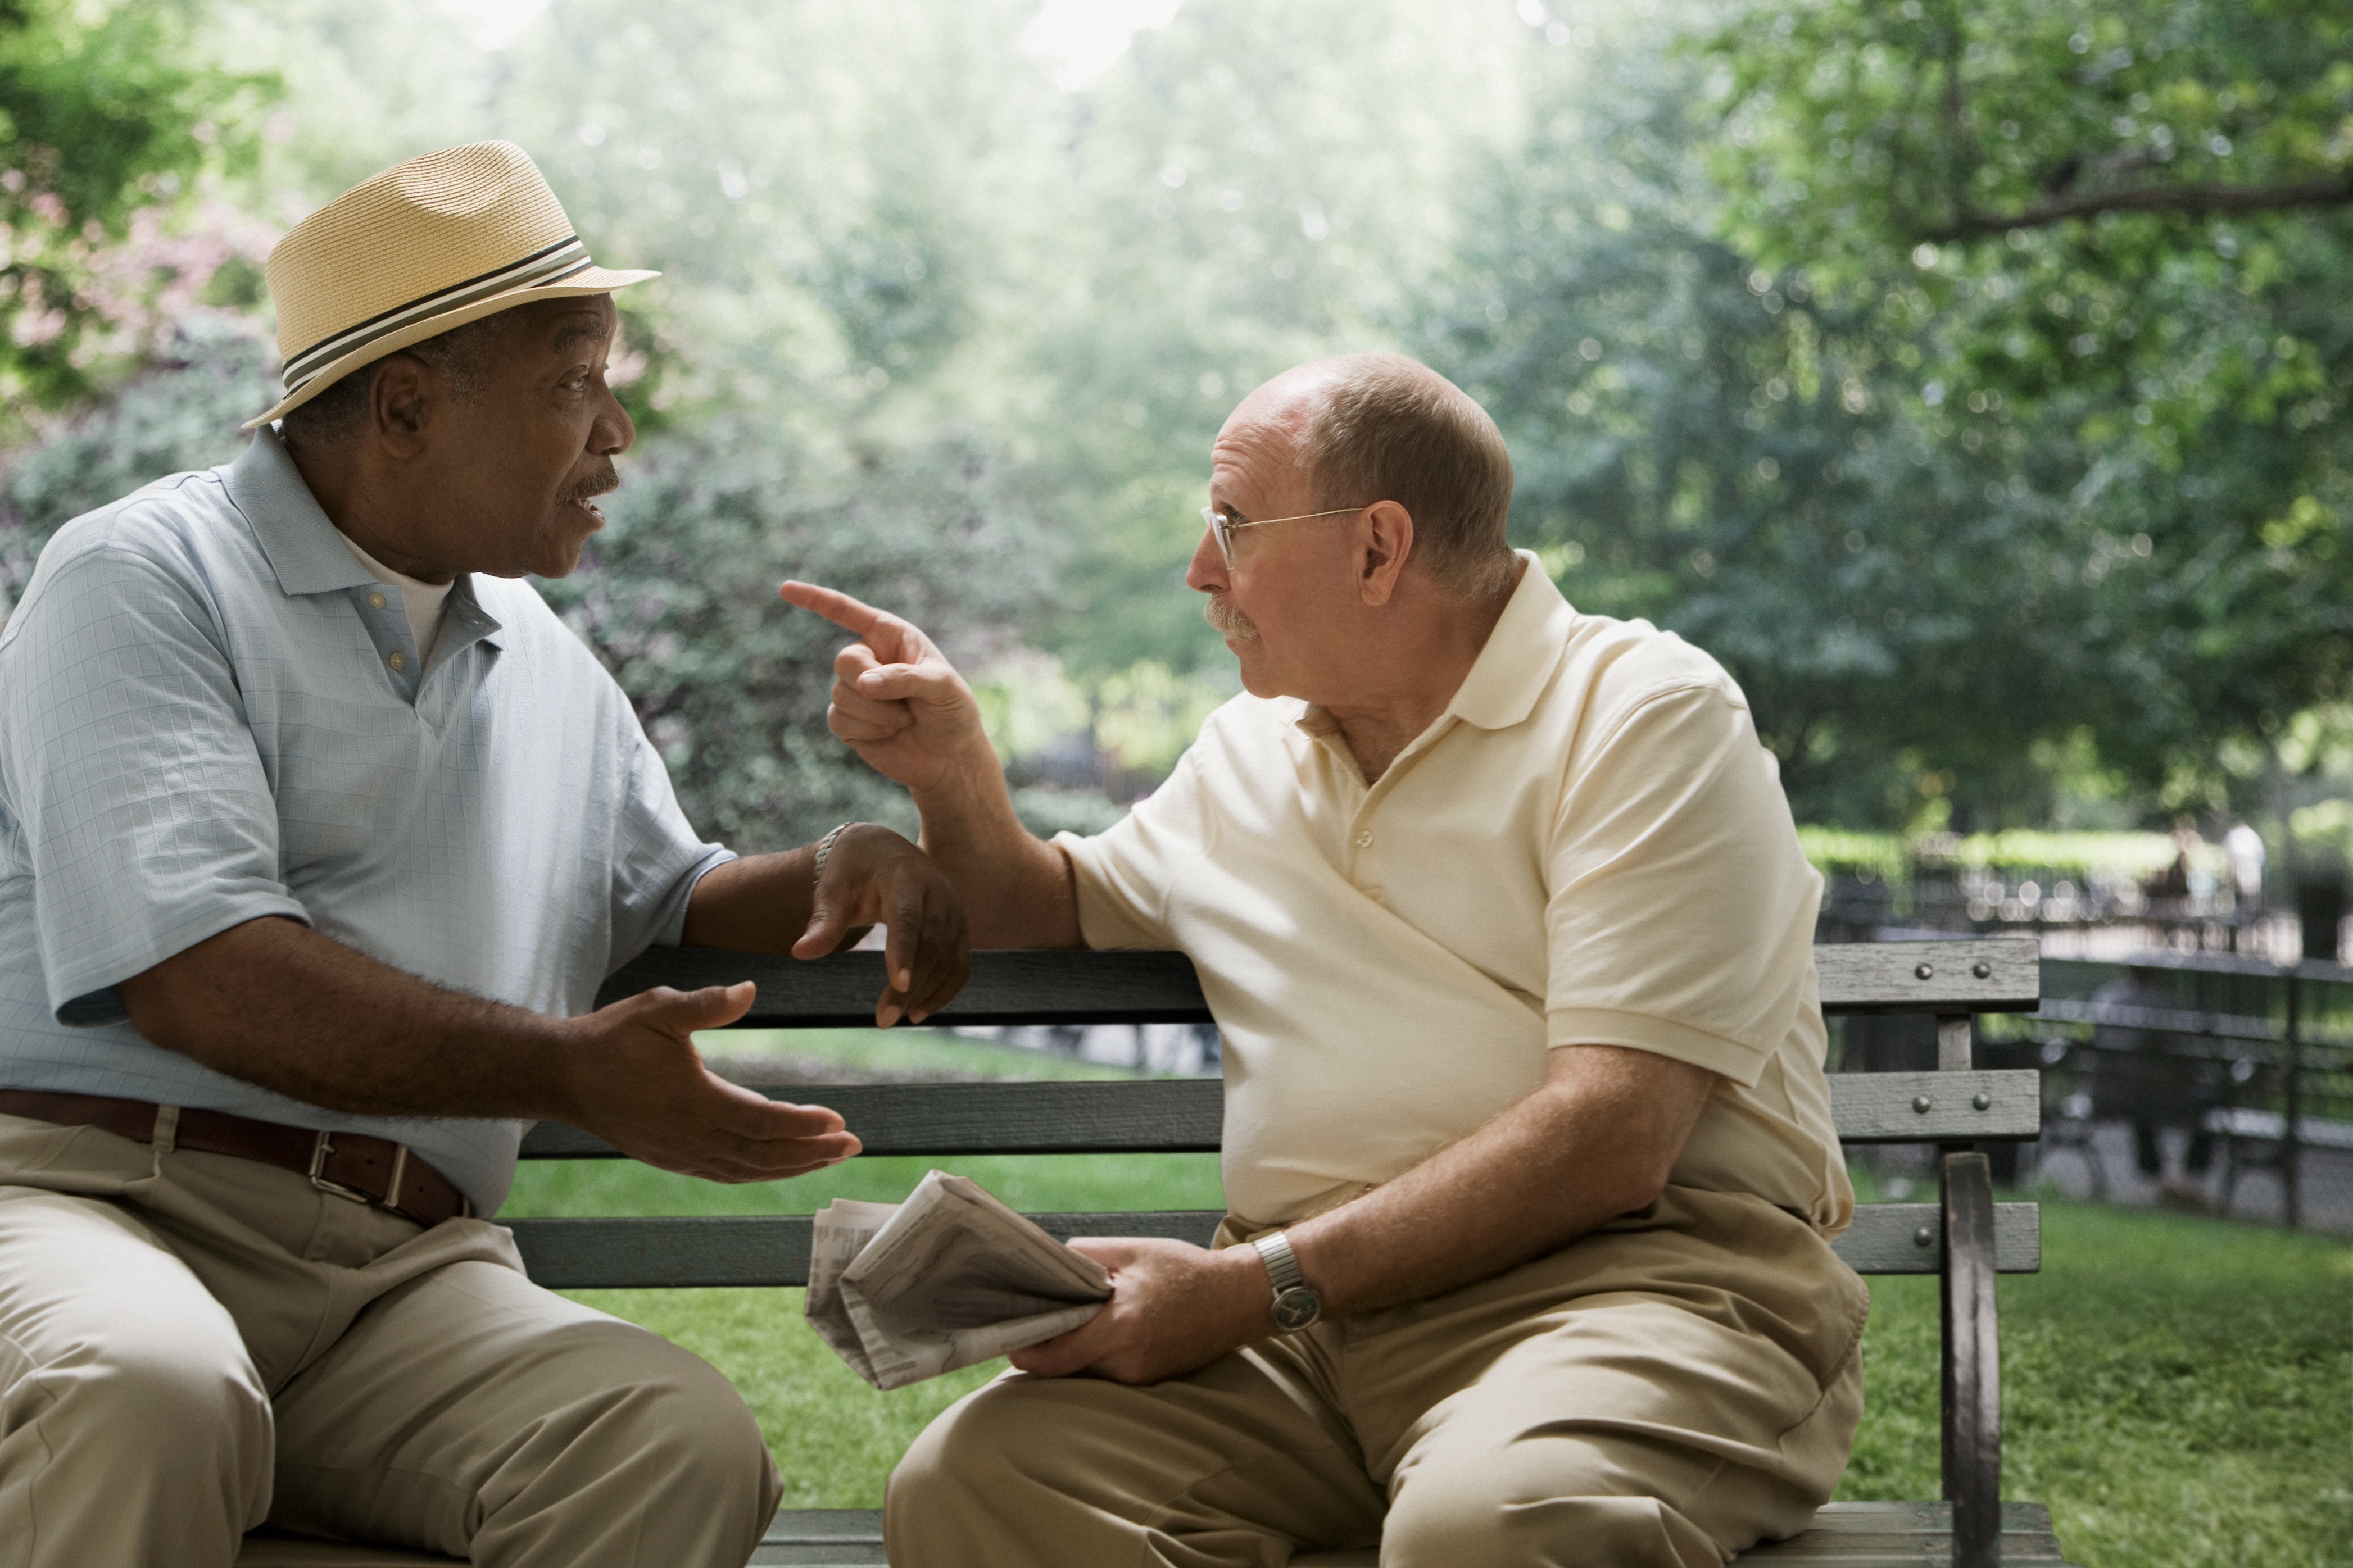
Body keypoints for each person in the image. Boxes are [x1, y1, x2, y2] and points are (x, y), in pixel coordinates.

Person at [0, 142, 971, 1568]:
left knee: (668, 1439)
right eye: (573, 382)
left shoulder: (544, 658)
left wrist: (843, 859)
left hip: (398, 1280)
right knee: (142, 1387)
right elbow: (201, 980)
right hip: (101, 1205)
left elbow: (667, 889)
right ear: (404, 406)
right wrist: (566, 1067)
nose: (617, 431)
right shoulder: (141, 578)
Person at [782, 353, 1866, 1567]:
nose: (1201, 569)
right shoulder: (1245, 751)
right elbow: (1047, 903)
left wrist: (1251, 1289)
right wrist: (953, 775)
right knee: (980, 1484)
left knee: (1494, 1529)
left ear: (1376, 549)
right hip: (1310, 1336)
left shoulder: (1645, 714)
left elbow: (1617, 1134)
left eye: (1234, 527)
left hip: (1640, 1298)